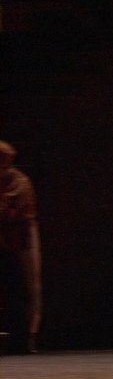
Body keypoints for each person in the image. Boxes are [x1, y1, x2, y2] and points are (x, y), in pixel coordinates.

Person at [0, 141, 42, 354]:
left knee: (23, 289)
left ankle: (24, 338)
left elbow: (10, 209)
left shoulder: (18, 181)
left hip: (18, 241)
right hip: (7, 240)